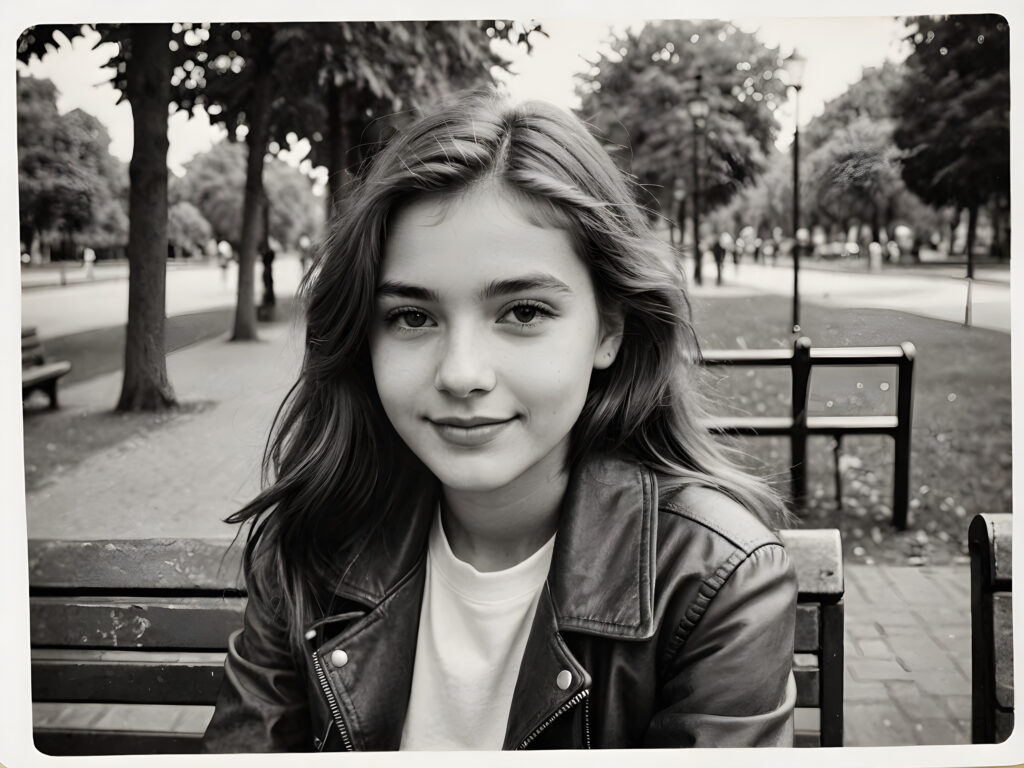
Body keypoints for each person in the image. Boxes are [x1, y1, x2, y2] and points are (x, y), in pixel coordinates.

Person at [202, 91, 797, 753]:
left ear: (609, 330)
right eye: (412, 317)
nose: (461, 373)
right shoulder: (313, 541)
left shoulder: (712, 579)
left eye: (522, 312)